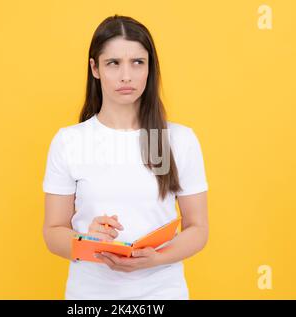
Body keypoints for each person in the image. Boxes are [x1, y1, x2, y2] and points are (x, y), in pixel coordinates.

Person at [42, 14, 209, 300]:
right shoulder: (69, 141)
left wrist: (156, 258)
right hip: (90, 296)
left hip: (161, 294)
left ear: (149, 68)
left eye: (137, 62)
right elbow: (53, 231)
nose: (126, 76)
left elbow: (198, 228)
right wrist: (86, 241)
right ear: (94, 68)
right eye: (113, 63)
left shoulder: (178, 140)